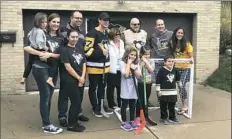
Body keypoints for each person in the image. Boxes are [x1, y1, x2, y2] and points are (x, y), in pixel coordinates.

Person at [24, 13, 64, 134]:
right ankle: (46, 125)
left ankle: (46, 121)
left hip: (53, 69)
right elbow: (27, 47)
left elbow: (61, 55)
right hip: (40, 67)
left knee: (49, 96)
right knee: (45, 95)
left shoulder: (61, 38)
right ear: (48, 22)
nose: (56, 24)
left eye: (58, 22)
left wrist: (50, 55)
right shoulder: (41, 33)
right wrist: (40, 53)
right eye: (53, 21)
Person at [58, 11, 89, 127]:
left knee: (78, 94)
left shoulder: (82, 33)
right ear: (71, 18)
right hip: (66, 66)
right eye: (76, 18)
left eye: (81, 18)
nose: (79, 20)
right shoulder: (61, 31)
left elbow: (83, 50)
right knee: (64, 94)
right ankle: (62, 116)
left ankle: (77, 113)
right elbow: (59, 48)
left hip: (79, 65)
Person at [84, 12, 113, 117]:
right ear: (99, 20)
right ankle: (95, 107)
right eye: (104, 20)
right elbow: (86, 51)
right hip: (94, 67)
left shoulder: (106, 33)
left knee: (102, 87)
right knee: (93, 88)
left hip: (105, 67)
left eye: (107, 20)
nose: (106, 22)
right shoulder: (92, 33)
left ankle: (101, 105)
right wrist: (101, 52)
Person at [20, 12, 55, 88]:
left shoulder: (33, 30)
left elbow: (29, 36)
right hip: (40, 49)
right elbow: (40, 43)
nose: (44, 24)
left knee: (29, 63)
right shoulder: (40, 31)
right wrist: (46, 48)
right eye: (42, 22)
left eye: (46, 22)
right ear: (37, 22)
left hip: (32, 48)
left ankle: (24, 77)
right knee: (53, 62)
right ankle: (50, 79)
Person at [147, 19, 173, 108]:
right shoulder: (152, 36)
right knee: (158, 83)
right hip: (157, 63)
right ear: (155, 26)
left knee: (169, 82)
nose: (160, 26)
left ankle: (170, 101)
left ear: (164, 25)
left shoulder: (171, 34)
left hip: (168, 63)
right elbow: (151, 47)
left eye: (162, 24)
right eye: (158, 25)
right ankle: (160, 101)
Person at [169, 27, 194, 115]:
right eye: (178, 33)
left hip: (185, 68)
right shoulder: (172, 43)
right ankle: (178, 103)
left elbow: (191, 57)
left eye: (181, 33)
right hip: (176, 68)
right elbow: (172, 55)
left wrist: (191, 60)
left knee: (181, 86)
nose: (180, 34)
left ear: (183, 34)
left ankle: (185, 105)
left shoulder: (187, 44)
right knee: (178, 86)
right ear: (175, 33)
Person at [120, 46, 141, 131]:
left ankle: (132, 120)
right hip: (125, 88)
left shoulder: (136, 64)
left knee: (133, 105)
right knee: (124, 105)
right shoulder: (122, 63)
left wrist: (134, 67)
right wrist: (128, 64)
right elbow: (125, 74)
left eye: (134, 55)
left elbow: (139, 76)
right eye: (131, 54)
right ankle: (124, 121)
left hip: (133, 88)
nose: (133, 56)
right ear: (127, 54)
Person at [156, 56, 181, 124]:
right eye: (169, 61)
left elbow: (178, 79)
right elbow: (158, 81)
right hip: (163, 92)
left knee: (172, 106)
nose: (171, 63)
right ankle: (163, 118)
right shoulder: (161, 70)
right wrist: (158, 91)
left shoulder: (175, 70)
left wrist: (180, 86)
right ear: (165, 62)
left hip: (173, 92)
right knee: (163, 106)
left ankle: (172, 118)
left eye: (172, 61)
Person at [135, 46, 157, 125]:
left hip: (148, 83)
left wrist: (146, 62)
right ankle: (137, 116)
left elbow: (151, 70)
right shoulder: (138, 61)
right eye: (145, 54)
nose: (147, 56)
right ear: (141, 54)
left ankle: (145, 115)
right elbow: (139, 73)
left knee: (146, 99)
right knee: (140, 100)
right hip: (141, 83)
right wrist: (141, 63)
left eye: (148, 54)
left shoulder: (151, 61)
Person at [106, 27, 125, 109]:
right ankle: (111, 104)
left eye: (119, 34)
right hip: (111, 68)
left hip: (120, 68)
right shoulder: (108, 43)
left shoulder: (121, 42)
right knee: (111, 87)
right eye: (116, 35)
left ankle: (120, 102)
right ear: (112, 35)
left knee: (120, 87)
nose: (118, 36)